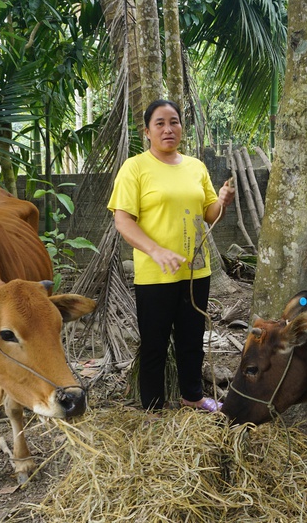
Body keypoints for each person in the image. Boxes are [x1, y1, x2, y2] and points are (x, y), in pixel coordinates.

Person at [107, 99, 235, 412]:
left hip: (195, 271)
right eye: (160, 123)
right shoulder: (135, 168)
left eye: (174, 122)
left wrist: (222, 200)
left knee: (192, 340)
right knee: (155, 343)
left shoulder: (196, 167)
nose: (168, 129)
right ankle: (152, 407)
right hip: (155, 273)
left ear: (181, 127)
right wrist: (156, 250)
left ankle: (192, 396)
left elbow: (210, 214)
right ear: (147, 132)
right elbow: (123, 220)